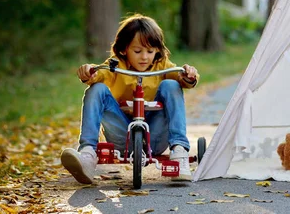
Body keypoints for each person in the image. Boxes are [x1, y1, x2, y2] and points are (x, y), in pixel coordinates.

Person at [61, 14, 199, 184]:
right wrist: (90, 73)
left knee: (171, 85)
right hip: (123, 136)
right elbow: (99, 75)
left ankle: (179, 152)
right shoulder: (116, 65)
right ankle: (88, 154)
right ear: (124, 49)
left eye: (150, 51)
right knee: (96, 89)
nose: (144, 57)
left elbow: (180, 77)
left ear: (157, 50)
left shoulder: (161, 65)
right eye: (137, 51)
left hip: (154, 137)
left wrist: (188, 76)